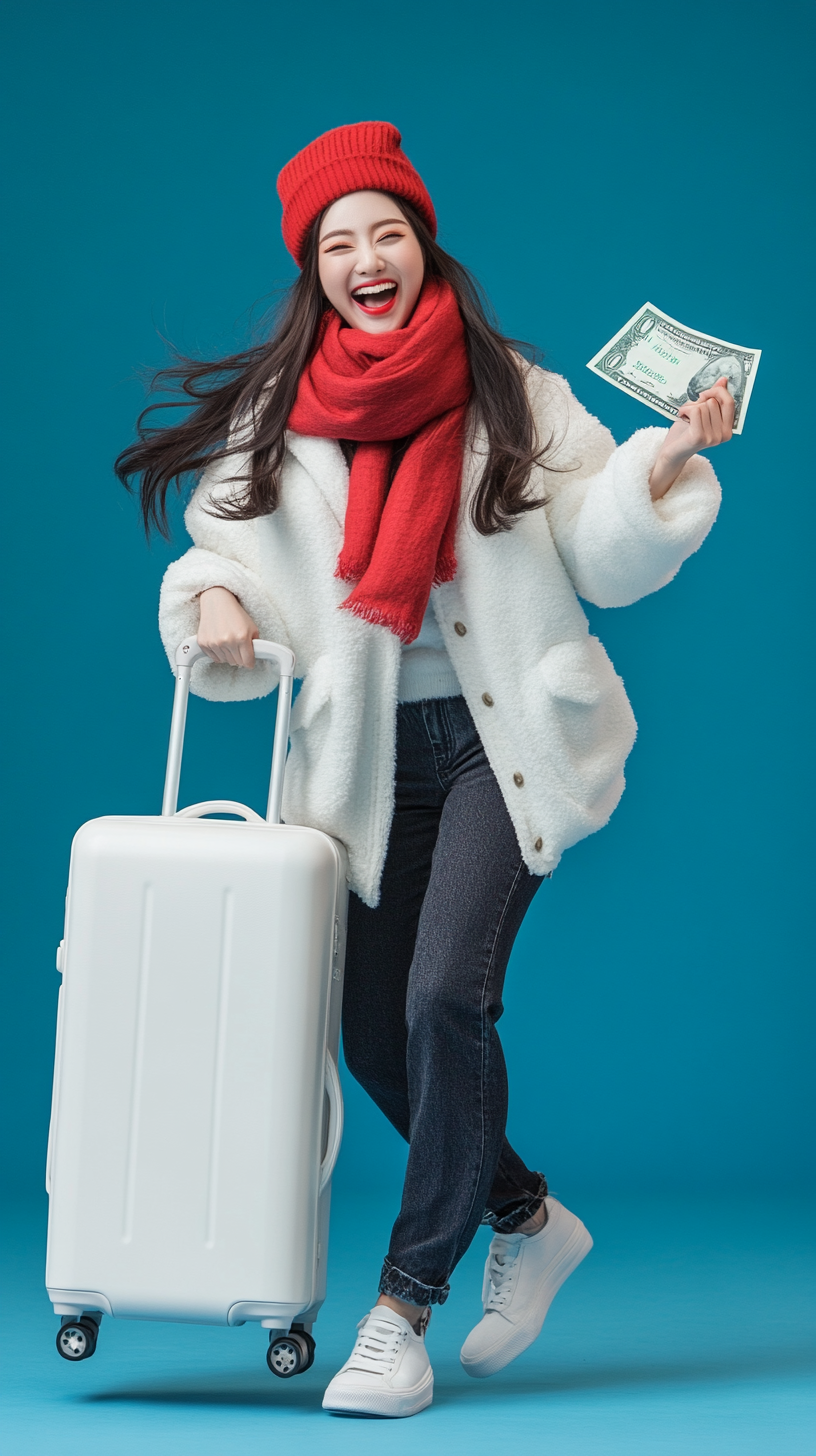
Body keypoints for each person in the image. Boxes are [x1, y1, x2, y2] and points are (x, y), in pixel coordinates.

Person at [116, 122, 734, 1419]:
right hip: (363, 767)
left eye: (384, 231)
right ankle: (527, 1216)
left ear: (422, 239)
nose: (365, 259)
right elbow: (217, 558)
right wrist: (211, 606)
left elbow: (600, 551)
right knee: (368, 1039)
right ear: (315, 271)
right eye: (337, 243)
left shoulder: (512, 389)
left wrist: (659, 466)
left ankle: (402, 1311)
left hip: (503, 751)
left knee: (449, 996)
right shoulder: (278, 423)